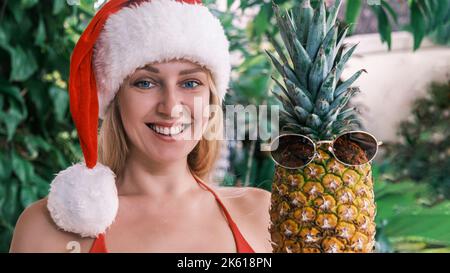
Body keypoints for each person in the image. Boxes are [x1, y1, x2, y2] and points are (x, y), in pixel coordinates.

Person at [9, 0, 271, 253]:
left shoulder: (263, 214)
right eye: (145, 83)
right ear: (115, 99)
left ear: (212, 98)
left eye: (190, 83)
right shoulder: (46, 230)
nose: (170, 108)